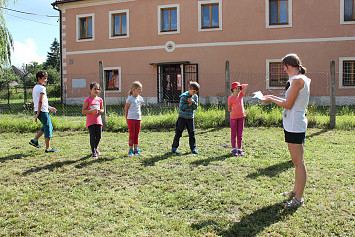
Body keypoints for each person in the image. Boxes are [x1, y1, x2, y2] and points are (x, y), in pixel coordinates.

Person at [262, 53, 311, 208]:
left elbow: (288, 104)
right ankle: (296, 191)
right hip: (294, 124)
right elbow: (289, 102)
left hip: (295, 125)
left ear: (289, 66)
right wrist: (270, 96)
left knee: (298, 162)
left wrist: (270, 99)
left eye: (284, 67)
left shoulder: (297, 81)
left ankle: (298, 198)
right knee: (297, 162)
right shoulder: (300, 79)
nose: (284, 70)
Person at [29, 71, 58, 153]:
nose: (46, 80)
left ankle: (34, 140)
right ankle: (48, 148)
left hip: (40, 110)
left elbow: (42, 102)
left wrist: (50, 107)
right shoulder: (42, 88)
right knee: (48, 128)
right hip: (42, 111)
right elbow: (40, 102)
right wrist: (38, 113)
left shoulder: (35, 87)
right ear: (39, 78)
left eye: (46, 78)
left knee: (47, 126)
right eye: (44, 78)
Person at [171, 81, 200, 154]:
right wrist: (189, 104)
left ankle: (193, 148)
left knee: (192, 133)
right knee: (178, 132)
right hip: (182, 118)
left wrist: (193, 103)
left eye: (195, 92)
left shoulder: (195, 97)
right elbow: (181, 107)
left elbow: (195, 107)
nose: (194, 93)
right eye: (193, 91)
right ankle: (174, 147)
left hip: (190, 118)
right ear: (189, 89)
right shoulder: (183, 96)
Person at [82, 82, 104, 159]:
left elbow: (102, 109)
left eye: (98, 89)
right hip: (91, 121)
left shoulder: (100, 99)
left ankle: (95, 148)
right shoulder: (87, 99)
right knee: (93, 136)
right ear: (90, 89)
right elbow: (83, 111)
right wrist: (91, 111)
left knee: (99, 136)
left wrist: (101, 111)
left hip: (98, 120)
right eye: (95, 89)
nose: (96, 90)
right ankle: (93, 151)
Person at [228, 82, 248, 156]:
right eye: (235, 88)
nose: (237, 90)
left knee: (240, 133)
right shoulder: (230, 98)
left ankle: (239, 149)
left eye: (238, 88)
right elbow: (229, 109)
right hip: (233, 118)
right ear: (232, 89)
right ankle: (234, 149)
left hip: (241, 117)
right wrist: (234, 112)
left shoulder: (241, 95)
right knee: (234, 133)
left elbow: (246, 86)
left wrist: (241, 85)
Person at [125, 81, 144, 157]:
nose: (140, 90)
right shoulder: (130, 99)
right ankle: (130, 150)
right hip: (131, 119)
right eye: (139, 89)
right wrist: (126, 118)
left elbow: (140, 107)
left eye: (141, 89)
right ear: (133, 89)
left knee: (137, 134)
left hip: (138, 119)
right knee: (132, 134)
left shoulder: (140, 98)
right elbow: (126, 109)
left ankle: (136, 149)